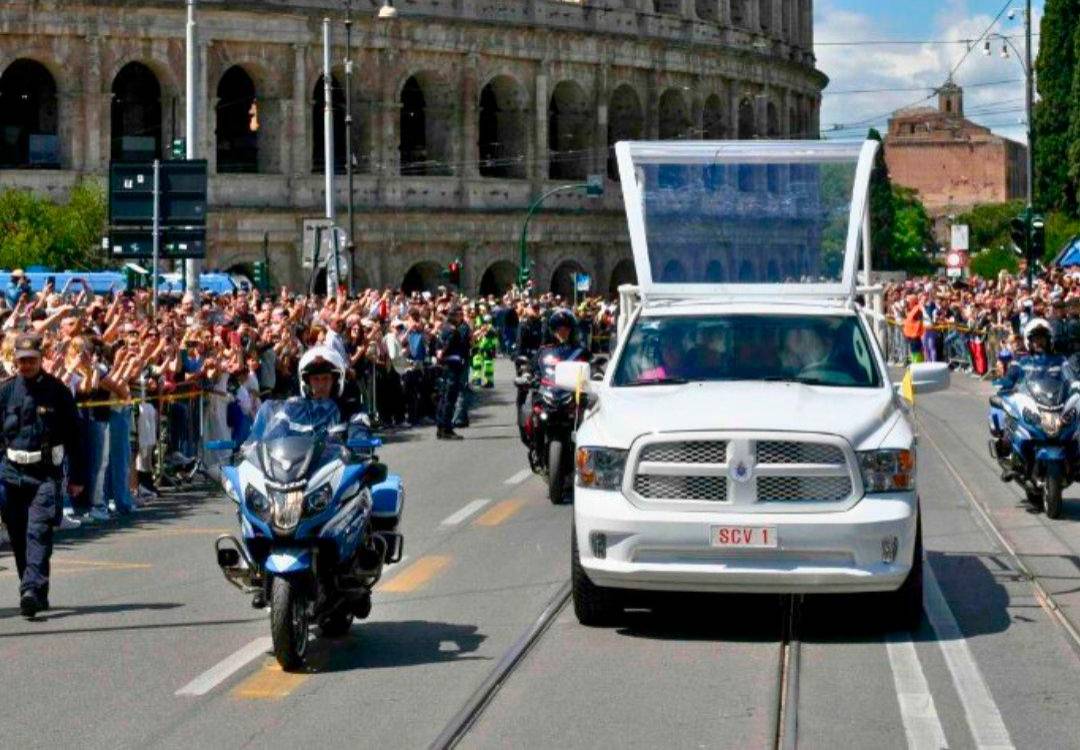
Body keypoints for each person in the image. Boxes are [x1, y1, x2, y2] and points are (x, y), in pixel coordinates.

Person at [0, 333, 86, 618]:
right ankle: (35, 587)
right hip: (12, 473)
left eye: (31, 360)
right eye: (22, 360)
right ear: (15, 360)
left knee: (38, 530)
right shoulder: (6, 391)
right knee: (19, 535)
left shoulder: (57, 391)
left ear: (41, 359)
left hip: (45, 473)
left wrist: (76, 477)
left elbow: (76, 436)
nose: (26, 365)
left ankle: (31, 590)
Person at [435, 306, 469, 440]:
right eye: (458, 315)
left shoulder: (444, 328)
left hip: (446, 366)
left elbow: (439, 345)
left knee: (444, 398)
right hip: (452, 366)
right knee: (449, 399)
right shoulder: (453, 331)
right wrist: (442, 353)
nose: (460, 317)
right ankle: (446, 429)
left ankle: (440, 427)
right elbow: (445, 347)